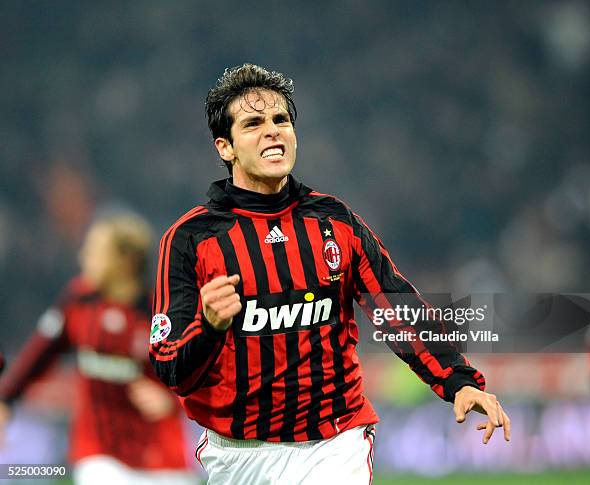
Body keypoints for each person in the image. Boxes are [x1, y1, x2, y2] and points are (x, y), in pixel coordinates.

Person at [149, 64, 511, 484]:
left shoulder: (333, 221)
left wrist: (459, 381)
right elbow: (169, 367)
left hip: (335, 442)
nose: (272, 131)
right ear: (225, 147)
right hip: (239, 456)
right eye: (253, 123)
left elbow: (395, 306)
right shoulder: (190, 239)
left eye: (280, 119)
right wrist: (209, 326)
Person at [0, 214, 200, 485]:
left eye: (95, 250)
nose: (84, 256)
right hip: (98, 454)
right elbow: (40, 353)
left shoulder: (160, 312)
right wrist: (6, 399)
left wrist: (171, 399)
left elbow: (197, 370)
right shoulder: (79, 301)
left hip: (160, 457)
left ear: (124, 261)